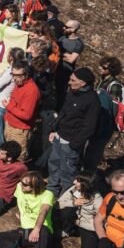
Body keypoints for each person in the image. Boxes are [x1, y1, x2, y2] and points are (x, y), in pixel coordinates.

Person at [47, 68, 100, 196]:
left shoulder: (92, 101)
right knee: (53, 165)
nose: (69, 82)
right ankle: (50, 192)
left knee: (67, 173)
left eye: (73, 80)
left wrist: (74, 144)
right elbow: (63, 112)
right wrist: (55, 130)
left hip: (70, 144)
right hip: (58, 137)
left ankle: (64, 200)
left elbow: (89, 127)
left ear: (82, 83)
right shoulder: (72, 92)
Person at [0, 48, 25, 171]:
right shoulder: (14, 71)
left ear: (11, 58)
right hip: (2, 106)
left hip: (0, 107)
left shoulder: (10, 72)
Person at [58, 173, 102, 248]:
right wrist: (73, 203)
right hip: (74, 220)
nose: (74, 182)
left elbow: (99, 223)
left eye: (78, 181)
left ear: (85, 185)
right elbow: (58, 204)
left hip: (88, 226)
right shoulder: (75, 189)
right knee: (66, 210)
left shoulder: (98, 202)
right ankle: (68, 229)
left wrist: (81, 224)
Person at [3, 60, 40, 162]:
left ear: (26, 74)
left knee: (17, 160)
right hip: (10, 126)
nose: (14, 78)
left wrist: (8, 107)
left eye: (18, 75)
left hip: (19, 131)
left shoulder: (31, 91)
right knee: (8, 156)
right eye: (13, 74)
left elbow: (27, 115)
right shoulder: (19, 83)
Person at [94, 170, 124, 248]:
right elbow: (98, 220)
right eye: (115, 192)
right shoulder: (110, 199)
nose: (120, 197)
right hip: (106, 246)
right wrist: (103, 238)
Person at [56, 20, 85, 109]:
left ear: (73, 29)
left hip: (65, 71)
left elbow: (71, 60)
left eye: (66, 27)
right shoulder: (62, 38)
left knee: (60, 92)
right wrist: (66, 54)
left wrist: (60, 54)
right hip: (56, 67)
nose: (64, 28)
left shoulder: (78, 44)